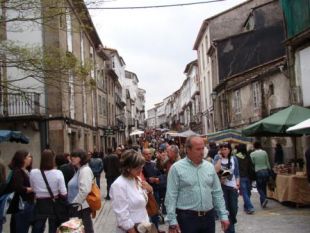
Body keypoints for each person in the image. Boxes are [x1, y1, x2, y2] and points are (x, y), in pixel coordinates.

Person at [165, 136, 229, 233]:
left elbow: (217, 192)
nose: (202, 152)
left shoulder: (209, 167)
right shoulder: (176, 168)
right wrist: (172, 221)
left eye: (203, 148)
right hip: (187, 218)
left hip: (208, 217)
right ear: (188, 150)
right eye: (198, 149)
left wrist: (223, 215)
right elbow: (171, 195)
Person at [110, 149, 152, 233]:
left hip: (144, 226)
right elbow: (122, 215)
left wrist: (150, 190)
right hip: (132, 229)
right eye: (138, 168)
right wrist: (132, 230)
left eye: (141, 167)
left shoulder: (136, 179)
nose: (141, 170)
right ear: (128, 168)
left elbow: (142, 199)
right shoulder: (119, 185)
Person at [30, 149, 67, 233]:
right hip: (54, 203)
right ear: (52, 159)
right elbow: (64, 193)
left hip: (40, 204)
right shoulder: (58, 173)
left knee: (38, 226)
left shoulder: (33, 172)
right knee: (53, 226)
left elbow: (33, 188)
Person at [214, 143, 240, 233]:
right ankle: (229, 229)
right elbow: (215, 170)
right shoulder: (217, 158)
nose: (224, 151)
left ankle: (231, 223)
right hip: (222, 187)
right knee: (226, 209)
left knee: (234, 208)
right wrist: (220, 158)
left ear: (229, 150)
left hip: (232, 187)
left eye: (226, 149)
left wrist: (237, 184)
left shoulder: (234, 159)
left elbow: (236, 173)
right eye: (222, 149)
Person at [6, 150, 34, 233]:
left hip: (27, 204)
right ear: (23, 159)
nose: (30, 158)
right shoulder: (17, 171)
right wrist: (31, 189)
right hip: (21, 206)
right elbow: (18, 188)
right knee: (20, 229)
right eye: (28, 156)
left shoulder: (26, 170)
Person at [67, 149, 94, 233]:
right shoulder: (79, 170)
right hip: (78, 207)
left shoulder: (85, 170)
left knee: (85, 229)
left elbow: (85, 190)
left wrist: (75, 204)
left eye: (75, 156)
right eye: (72, 156)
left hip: (81, 207)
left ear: (81, 158)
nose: (72, 158)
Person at [235, 144, 255, 214]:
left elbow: (236, 168)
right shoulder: (247, 156)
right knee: (248, 192)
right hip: (248, 176)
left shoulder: (236, 157)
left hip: (241, 177)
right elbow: (251, 166)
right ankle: (248, 207)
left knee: (245, 193)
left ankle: (248, 207)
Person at [250, 141, 271, 208]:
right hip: (265, 170)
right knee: (264, 186)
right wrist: (269, 170)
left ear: (254, 146)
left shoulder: (252, 154)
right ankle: (263, 202)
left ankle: (264, 198)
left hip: (258, 171)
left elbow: (252, 163)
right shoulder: (264, 152)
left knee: (259, 187)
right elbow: (267, 162)